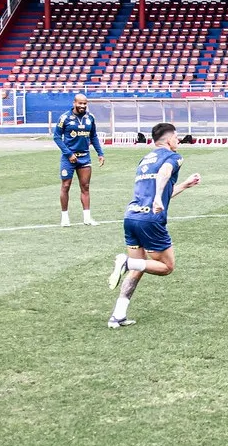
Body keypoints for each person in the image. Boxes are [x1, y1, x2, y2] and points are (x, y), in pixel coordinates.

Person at [108, 122, 200, 328]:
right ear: (168, 140)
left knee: (140, 267)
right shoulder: (173, 157)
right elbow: (165, 173)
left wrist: (184, 185)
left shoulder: (145, 160)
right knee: (167, 267)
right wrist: (158, 198)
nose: (178, 140)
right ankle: (127, 262)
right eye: (176, 137)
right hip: (150, 219)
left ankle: (118, 315)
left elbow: (159, 188)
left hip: (131, 216)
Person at [55, 93, 104, 227]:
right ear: (74, 103)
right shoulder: (64, 118)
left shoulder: (90, 118)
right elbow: (57, 137)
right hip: (68, 158)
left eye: (84, 103)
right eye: (80, 103)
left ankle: (87, 218)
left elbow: (93, 136)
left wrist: (100, 153)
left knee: (85, 187)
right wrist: (69, 154)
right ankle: (65, 217)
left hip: (84, 157)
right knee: (65, 186)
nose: (82, 106)